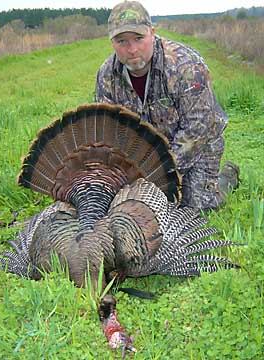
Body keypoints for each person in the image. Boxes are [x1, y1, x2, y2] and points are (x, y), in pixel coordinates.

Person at [95, 0, 239, 210]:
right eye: (122, 41)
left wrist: (159, 175)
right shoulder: (107, 75)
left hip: (197, 144)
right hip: (144, 155)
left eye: (138, 38)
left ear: (152, 33)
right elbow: (108, 131)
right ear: (112, 42)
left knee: (194, 208)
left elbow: (197, 129)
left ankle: (227, 177)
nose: (132, 49)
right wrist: (127, 173)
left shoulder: (185, 66)